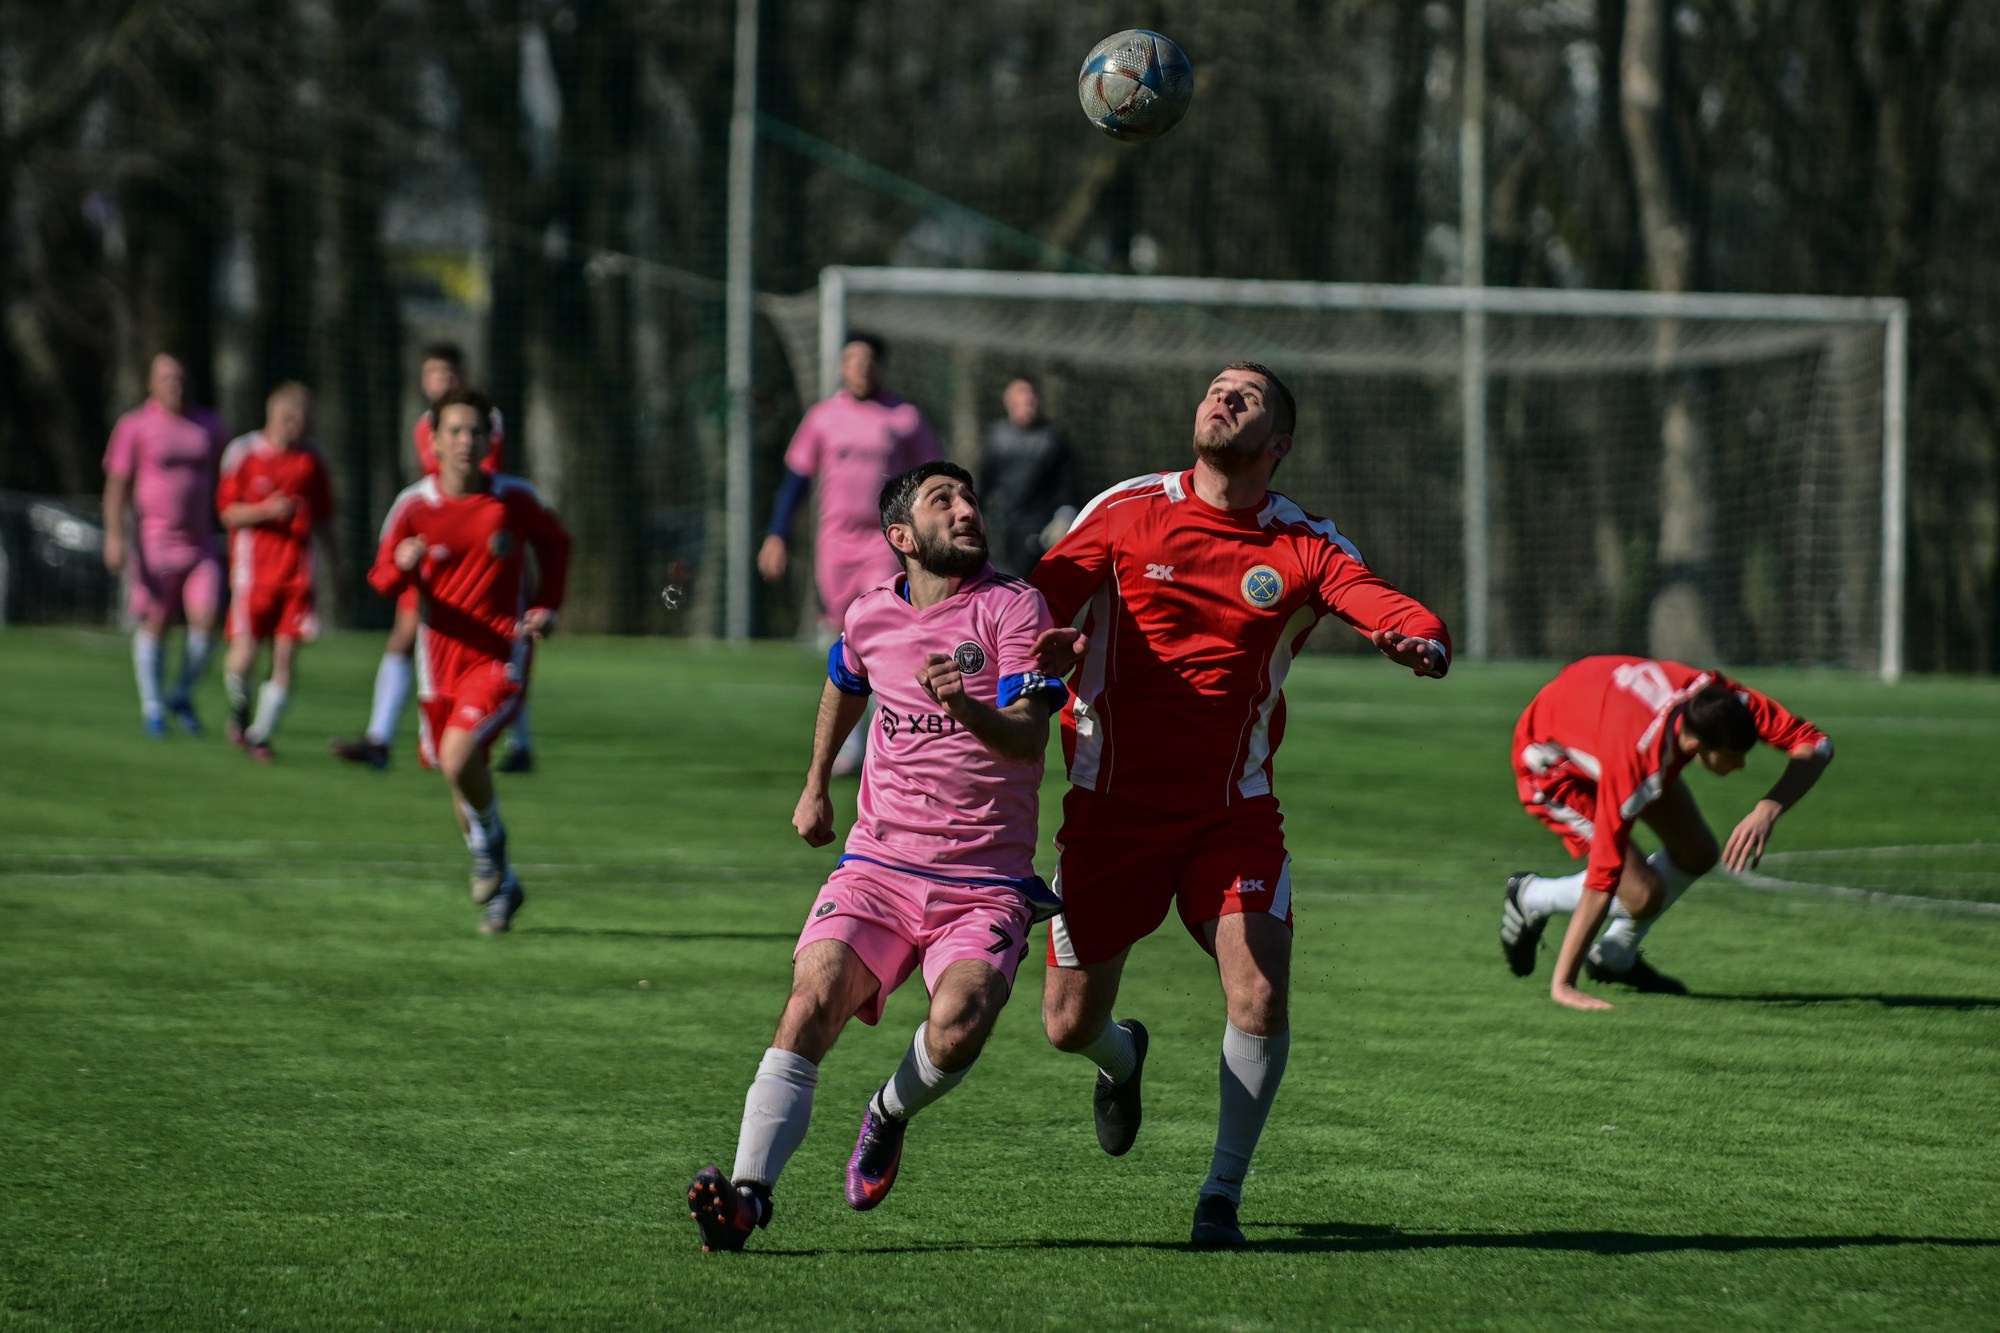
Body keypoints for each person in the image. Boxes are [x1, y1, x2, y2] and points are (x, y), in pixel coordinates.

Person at [1027, 363, 1451, 1249]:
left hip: (1234, 813)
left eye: (1247, 397)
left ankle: (1221, 1196)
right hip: (1108, 811)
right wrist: (1038, 651)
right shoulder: (1126, 509)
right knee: (1068, 1025)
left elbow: (1372, 599)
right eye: (1217, 388)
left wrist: (1416, 634)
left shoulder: (1302, 541)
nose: (1223, 398)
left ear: (1279, 442)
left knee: (1258, 992)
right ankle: (1124, 1054)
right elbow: (1033, 607)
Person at [689, 461, 1068, 1254]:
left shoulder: (1014, 606)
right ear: (902, 537)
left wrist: (963, 705)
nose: (967, 508)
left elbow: (1032, 737)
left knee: (960, 1021)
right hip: (879, 865)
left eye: (970, 495)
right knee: (811, 998)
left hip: (984, 881)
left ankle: (890, 1111)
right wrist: (815, 784)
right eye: (943, 501)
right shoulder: (870, 615)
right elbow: (844, 679)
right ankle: (748, 1198)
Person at [1498, 656, 1834, 1010]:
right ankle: (1531, 896)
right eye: (1733, 756)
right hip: (1552, 767)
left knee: (1698, 853)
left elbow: (1816, 743)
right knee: (1642, 895)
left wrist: (1769, 807)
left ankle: (1614, 958)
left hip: (1603, 718)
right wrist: (1564, 984)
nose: (1741, 765)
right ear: (1695, 748)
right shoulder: (1636, 764)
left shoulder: (1724, 698)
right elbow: (1603, 876)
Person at [366, 388, 569, 935]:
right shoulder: (413, 507)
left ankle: (490, 849)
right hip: (439, 667)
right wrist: (404, 568)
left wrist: (547, 605)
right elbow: (380, 578)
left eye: (475, 432)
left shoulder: (513, 499)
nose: (464, 441)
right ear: (433, 440)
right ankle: (504, 883)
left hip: (500, 657)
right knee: (461, 774)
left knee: (459, 756)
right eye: (454, 431)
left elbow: (557, 545)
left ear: (489, 441)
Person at [331, 342, 531, 771]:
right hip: (432, 555)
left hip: (476, 550)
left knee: (502, 642)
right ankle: (381, 737)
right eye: (431, 373)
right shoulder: (424, 425)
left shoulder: (483, 421)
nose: (439, 380)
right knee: (407, 637)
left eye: (447, 372)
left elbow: (481, 484)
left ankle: (516, 741)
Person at [758, 333, 941, 775]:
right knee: (842, 636)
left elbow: (932, 477)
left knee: (883, 628)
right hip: (834, 545)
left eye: (868, 360)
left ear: (880, 366)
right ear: (842, 366)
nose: (860, 367)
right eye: (852, 360)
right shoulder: (823, 417)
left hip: (886, 542)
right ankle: (849, 744)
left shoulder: (905, 418)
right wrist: (776, 535)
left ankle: (891, 738)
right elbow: (796, 481)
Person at [101, 353, 229, 737]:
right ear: (151, 384)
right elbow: (117, 486)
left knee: (206, 622)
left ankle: (181, 693)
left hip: (200, 542)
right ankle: (153, 707)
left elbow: (226, 478)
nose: (176, 384)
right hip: (154, 543)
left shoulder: (209, 426)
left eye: (181, 377)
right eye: (168, 377)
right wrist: (115, 536)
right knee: (156, 622)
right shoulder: (135, 425)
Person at [215, 383, 336, 762]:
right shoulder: (244, 453)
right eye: (288, 418)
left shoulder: (312, 460)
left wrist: (339, 570)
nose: (293, 427)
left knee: (285, 657)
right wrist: (266, 510)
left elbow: (326, 520)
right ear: (271, 414)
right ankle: (240, 708)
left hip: (297, 575)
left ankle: (261, 735)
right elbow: (227, 512)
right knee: (245, 653)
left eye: (301, 420)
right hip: (252, 574)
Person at [979, 373, 1078, 576]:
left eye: (1030, 397)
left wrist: (1065, 516)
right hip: (1000, 529)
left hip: (1037, 530)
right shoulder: (997, 437)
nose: (1026, 402)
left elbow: (1068, 485)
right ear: (1008, 401)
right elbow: (983, 483)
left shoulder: (1052, 440)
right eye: (1020, 396)